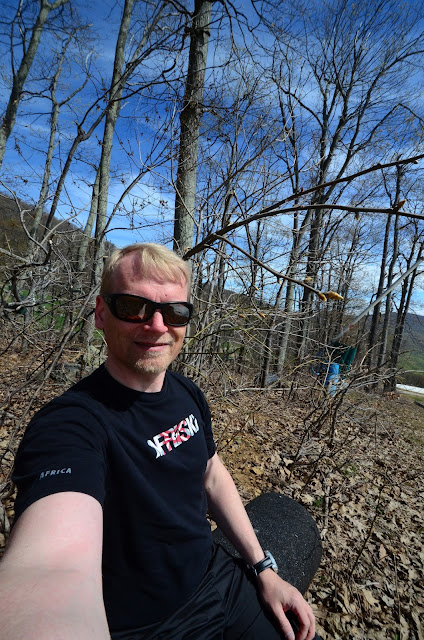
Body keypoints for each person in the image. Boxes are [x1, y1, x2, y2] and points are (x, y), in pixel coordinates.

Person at [0, 243, 318, 640]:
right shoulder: (70, 425)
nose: (156, 325)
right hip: (146, 628)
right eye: (133, 307)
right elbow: (51, 564)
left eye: (174, 311)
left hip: (219, 583)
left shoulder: (187, 393)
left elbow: (211, 473)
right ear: (101, 313)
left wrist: (263, 568)